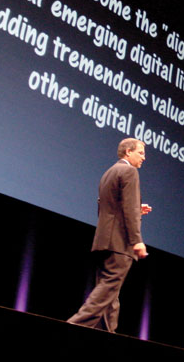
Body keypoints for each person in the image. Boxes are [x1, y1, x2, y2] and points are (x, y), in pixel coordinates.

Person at [67, 138, 152, 332]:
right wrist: (137, 240)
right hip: (120, 243)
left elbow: (109, 206)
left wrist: (136, 210)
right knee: (107, 291)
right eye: (141, 153)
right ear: (128, 152)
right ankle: (74, 326)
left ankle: (108, 334)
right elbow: (128, 209)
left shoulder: (109, 172)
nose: (144, 158)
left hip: (104, 239)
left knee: (110, 295)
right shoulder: (130, 171)